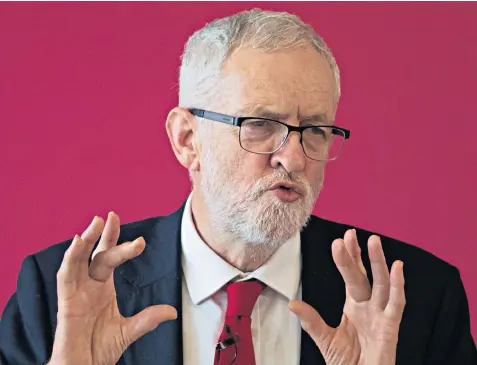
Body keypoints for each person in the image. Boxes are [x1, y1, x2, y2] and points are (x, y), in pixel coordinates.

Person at [0, 8, 475, 365]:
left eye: (314, 129)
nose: (292, 156)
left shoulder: (415, 299)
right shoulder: (60, 295)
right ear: (188, 140)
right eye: (261, 124)